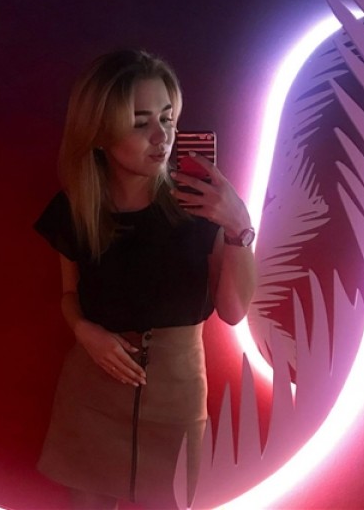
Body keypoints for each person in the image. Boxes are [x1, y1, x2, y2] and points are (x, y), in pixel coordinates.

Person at [34, 49, 256, 510]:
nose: (162, 136)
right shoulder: (76, 207)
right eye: (140, 123)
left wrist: (239, 227)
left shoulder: (199, 204)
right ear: (100, 133)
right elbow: (69, 294)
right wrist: (84, 331)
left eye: (167, 118)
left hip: (176, 395)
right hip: (93, 387)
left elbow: (234, 312)